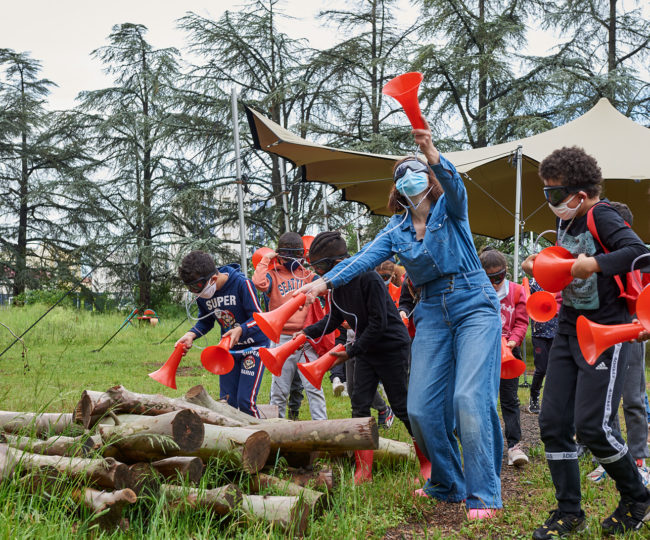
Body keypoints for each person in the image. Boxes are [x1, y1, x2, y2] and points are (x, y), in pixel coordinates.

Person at [296, 124, 503, 519]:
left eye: (416, 170)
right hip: (431, 312)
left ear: (428, 178)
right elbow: (362, 259)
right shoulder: (395, 229)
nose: (408, 177)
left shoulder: (450, 210)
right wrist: (322, 282)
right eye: (400, 175)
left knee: (468, 399)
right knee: (421, 408)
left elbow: (457, 188)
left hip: (474, 303)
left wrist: (433, 153)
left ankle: (484, 494)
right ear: (397, 190)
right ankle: (446, 483)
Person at [521, 146, 650, 538]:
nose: (550, 201)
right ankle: (569, 511)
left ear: (581, 191)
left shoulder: (601, 214)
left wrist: (594, 263)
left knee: (593, 427)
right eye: (547, 193)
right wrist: (540, 264)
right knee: (554, 423)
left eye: (554, 193)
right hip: (567, 329)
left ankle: (637, 497)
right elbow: (566, 272)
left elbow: (639, 252)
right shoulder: (567, 224)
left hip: (605, 332)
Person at [298, 231, 414, 484]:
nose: (317, 273)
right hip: (365, 349)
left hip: (391, 347)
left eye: (318, 266)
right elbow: (334, 319)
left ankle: (428, 463)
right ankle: (364, 471)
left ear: (335, 263)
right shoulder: (336, 287)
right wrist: (306, 333)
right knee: (359, 405)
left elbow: (378, 324)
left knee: (402, 406)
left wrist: (350, 351)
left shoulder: (368, 278)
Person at [586, 202, 650, 486]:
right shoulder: (596, 259)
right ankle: (613, 459)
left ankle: (639, 460)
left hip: (634, 330)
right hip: (603, 331)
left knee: (633, 399)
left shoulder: (641, 259)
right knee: (604, 400)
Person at [176, 250, 269, 417]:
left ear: (212, 279)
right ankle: (232, 440)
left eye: (195, 286)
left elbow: (259, 318)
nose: (194, 292)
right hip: (227, 352)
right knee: (226, 402)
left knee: (245, 401)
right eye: (189, 288)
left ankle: (261, 437)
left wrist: (241, 329)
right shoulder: (203, 294)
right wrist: (191, 334)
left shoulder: (242, 284)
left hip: (254, 348)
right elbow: (205, 321)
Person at [252, 232, 327, 421]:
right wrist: (266, 260)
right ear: (279, 255)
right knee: (279, 390)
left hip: (307, 337)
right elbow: (259, 283)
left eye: (296, 256)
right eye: (287, 256)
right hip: (282, 338)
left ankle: (322, 426)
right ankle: (276, 431)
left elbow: (327, 287)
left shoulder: (308, 275)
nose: (292, 260)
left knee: (314, 388)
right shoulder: (273, 274)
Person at [479, 247, 529, 468]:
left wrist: (514, 340)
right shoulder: (477, 290)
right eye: (490, 278)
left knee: (510, 400)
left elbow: (521, 321)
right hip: (482, 351)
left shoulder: (517, 291)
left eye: (500, 277)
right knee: (483, 400)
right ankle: (486, 444)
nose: (496, 282)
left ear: (507, 271)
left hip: (509, 350)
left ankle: (514, 446)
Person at [527, 278, 561, 414]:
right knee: (541, 369)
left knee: (557, 370)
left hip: (557, 333)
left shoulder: (560, 283)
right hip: (539, 334)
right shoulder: (534, 283)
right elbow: (526, 299)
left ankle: (553, 401)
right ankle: (534, 397)